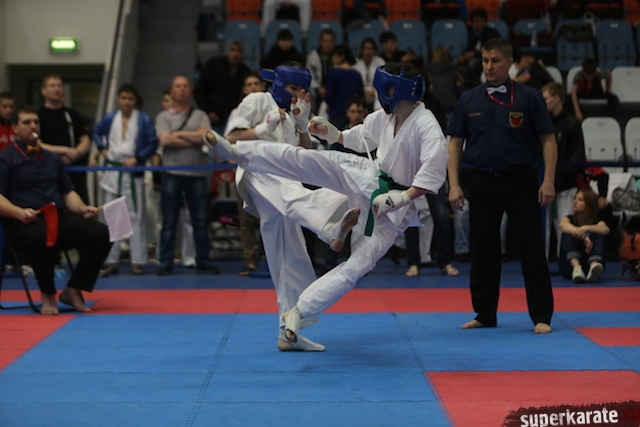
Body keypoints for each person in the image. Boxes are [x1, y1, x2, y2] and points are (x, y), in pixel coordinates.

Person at [205, 61, 449, 346]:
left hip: (392, 211)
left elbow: (435, 170)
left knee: (355, 267)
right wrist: (333, 134)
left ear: (398, 89)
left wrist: (404, 196)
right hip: (367, 176)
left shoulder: (426, 125)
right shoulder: (387, 117)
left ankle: (297, 312)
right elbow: (360, 135)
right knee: (310, 160)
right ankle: (237, 151)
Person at [217, 62, 360, 351]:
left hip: (283, 185)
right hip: (256, 170)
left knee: (291, 255)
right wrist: (262, 128)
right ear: (278, 83)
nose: (296, 95)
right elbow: (231, 139)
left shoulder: (293, 112)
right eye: (292, 89)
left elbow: (306, 159)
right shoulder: (257, 100)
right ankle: (329, 226)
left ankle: (288, 329)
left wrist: (302, 125)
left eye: (301, 91)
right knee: (290, 193)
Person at [447, 38, 557, 334]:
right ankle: (485, 313)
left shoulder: (529, 97)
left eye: (495, 60)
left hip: (521, 180)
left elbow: (548, 139)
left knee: (531, 248)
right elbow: (455, 143)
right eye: (485, 60)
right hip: (482, 181)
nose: (489, 66)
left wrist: (548, 180)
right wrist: (454, 184)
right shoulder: (468, 99)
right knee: (483, 249)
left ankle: (542, 315)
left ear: (510, 62)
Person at [0, 106, 112, 315]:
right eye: (27, 122)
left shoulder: (52, 158)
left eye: (36, 122)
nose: (33, 126)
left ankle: (74, 289)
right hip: (23, 222)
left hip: (56, 216)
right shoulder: (5, 158)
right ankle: (48, 294)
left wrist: (82, 208)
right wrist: (18, 212)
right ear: (15, 128)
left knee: (101, 233)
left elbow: (67, 192)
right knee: (41, 234)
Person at [155, 76, 220, 275]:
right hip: (171, 172)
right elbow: (165, 141)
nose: (182, 89)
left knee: (200, 220)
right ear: (171, 92)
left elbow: (206, 137)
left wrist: (178, 134)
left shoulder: (200, 115)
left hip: (196, 173)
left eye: (185, 86)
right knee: (169, 221)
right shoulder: (163, 117)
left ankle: (203, 259)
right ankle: (165, 261)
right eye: (178, 86)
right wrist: (194, 136)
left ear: (190, 91)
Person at [93, 83, 158, 275]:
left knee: (137, 217)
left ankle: (137, 261)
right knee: (113, 216)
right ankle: (111, 260)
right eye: (123, 98)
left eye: (130, 98)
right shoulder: (110, 118)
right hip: (113, 171)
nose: (127, 102)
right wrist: (101, 149)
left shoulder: (143, 119)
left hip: (133, 171)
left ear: (135, 100)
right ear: (118, 99)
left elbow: (153, 142)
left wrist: (138, 158)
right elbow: (96, 132)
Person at [223, 72, 265, 276]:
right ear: (244, 89)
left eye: (257, 83)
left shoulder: (272, 109)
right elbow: (228, 140)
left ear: (262, 86)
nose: (254, 87)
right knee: (246, 219)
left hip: (269, 170)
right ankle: (250, 260)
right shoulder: (237, 112)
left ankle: (272, 258)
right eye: (249, 84)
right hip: (246, 170)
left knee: (272, 217)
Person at [541, 82, 585, 259]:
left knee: (564, 226)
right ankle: (539, 263)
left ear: (556, 98)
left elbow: (577, 156)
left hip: (565, 185)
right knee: (541, 227)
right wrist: (546, 179)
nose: (543, 102)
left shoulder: (572, 123)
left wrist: (556, 176)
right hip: (542, 184)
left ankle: (567, 263)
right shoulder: (540, 123)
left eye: (545, 99)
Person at [37, 75, 92, 204]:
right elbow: (38, 144)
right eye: (52, 86)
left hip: (74, 171)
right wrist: (64, 151)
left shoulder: (72, 114)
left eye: (59, 86)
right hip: (49, 170)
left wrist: (75, 153)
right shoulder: (38, 115)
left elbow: (85, 140)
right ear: (43, 91)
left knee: (80, 206)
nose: (57, 89)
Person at [194, 39, 251, 133]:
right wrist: (208, 111)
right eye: (233, 50)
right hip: (209, 117)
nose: (235, 54)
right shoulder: (213, 65)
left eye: (239, 51)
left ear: (243, 53)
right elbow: (199, 91)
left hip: (234, 119)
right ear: (227, 51)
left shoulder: (246, 72)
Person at [558, 189, 609, 283]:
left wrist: (585, 229)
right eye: (575, 199)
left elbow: (605, 229)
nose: (575, 202)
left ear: (589, 205)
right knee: (567, 233)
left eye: (580, 200)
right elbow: (562, 225)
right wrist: (583, 236)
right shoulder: (568, 218)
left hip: (588, 264)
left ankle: (594, 265)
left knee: (598, 233)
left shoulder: (597, 221)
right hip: (569, 267)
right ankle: (577, 268)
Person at [457, 8, 502, 88]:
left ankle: (478, 88)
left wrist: (474, 54)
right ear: (473, 23)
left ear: (485, 21)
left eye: (481, 21)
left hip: (487, 59)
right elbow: (468, 48)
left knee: (472, 64)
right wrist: (463, 55)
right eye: (477, 22)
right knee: (455, 62)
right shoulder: (471, 33)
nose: (479, 24)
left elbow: (492, 50)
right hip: (473, 57)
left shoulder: (492, 33)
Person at [324, 45, 364, 129]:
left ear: (341, 56)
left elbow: (328, 96)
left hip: (336, 114)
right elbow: (361, 97)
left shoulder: (334, 73)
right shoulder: (357, 75)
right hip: (352, 116)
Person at [570, 57, 619, 122]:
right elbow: (573, 93)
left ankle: (611, 119)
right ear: (583, 71)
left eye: (592, 75)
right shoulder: (578, 76)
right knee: (568, 98)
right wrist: (577, 112)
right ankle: (572, 120)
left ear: (595, 72)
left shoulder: (598, 74)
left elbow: (608, 74)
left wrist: (609, 89)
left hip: (597, 95)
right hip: (583, 95)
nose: (589, 77)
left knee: (614, 99)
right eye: (587, 74)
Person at [306, 28, 335, 110]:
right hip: (317, 88)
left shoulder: (338, 57)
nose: (327, 44)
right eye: (325, 41)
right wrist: (318, 88)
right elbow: (310, 75)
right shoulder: (312, 57)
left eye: (330, 41)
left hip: (333, 89)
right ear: (320, 42)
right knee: (311, 93)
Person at [353, 38, 386, 111]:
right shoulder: (356, 63)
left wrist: (374, 91)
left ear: (374, 50)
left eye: (370, 48)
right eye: (365, 48)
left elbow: (383, 80)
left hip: (375, 92)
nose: (368, 51)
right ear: (362, 50)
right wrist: (362, 91)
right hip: (360, 92)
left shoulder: (380, 62)